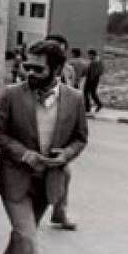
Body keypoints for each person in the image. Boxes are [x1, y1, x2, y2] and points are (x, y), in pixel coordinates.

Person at [0, 40, 88, 254]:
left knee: (21, 238)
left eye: (38, 68)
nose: (29, 72)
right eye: (27, 66)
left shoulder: (74, 99)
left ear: (57, 69)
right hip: (16, 180)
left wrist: (66, 155)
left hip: (48, 182)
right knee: (29, 241)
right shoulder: (10, 95)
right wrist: (22, 153)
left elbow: (81, 138)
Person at [44, 34, 80, 231]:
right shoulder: (35, 69)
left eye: (60, 49)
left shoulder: (69, 70)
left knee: (64, 171)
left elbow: (72, 95)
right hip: (37, 127)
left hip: (59, 128)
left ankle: (59, 211)